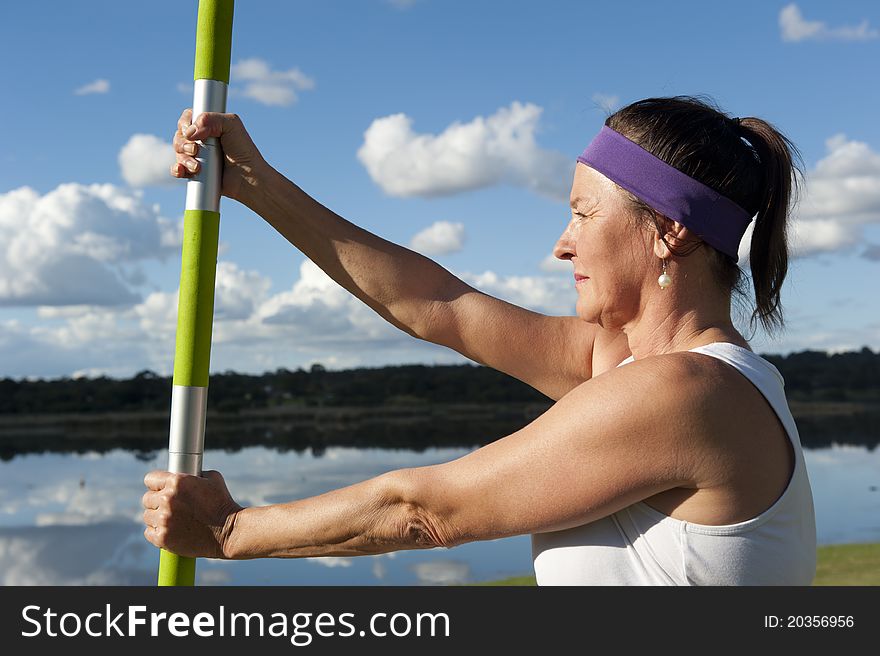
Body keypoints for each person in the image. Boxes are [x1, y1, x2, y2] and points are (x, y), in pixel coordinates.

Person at [142, 96, 817, 585]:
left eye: (584, 212)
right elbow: (440, 308)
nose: (563, 243)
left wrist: (230, 531)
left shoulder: (685, 394)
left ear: (672, 230)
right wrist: (255, 185)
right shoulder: (633, 367)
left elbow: (426, 512)